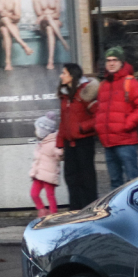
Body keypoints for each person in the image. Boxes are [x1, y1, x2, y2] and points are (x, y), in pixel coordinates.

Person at [94, 47, 138, 188]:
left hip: (126, 140)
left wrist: (127, 124)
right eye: (108, 60)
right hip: (108, 141)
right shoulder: (103, 85)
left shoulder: (130, 83)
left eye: (115, 60)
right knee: (115, 181)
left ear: (121, 62)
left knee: (133, 180)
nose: (111, 63)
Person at [56, 62, 99, 208]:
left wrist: (82, 128)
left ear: (72, 76)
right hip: (69, 144)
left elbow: (98, 116)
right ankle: (75, 210)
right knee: (71, 178)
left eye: (64, 73)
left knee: (86, 179)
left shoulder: (84, 93)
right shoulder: (65, 94)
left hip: (84, 142)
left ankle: (89, 210)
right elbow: (63, 121)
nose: (61, 75)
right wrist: (59, 144)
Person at [31, 0, 69, 71]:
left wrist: (47, 15)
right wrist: (46, 16)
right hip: (43, 24)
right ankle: (62, 40)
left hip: (55, 22)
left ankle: (50, 61)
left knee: (50, 27)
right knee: (48, 26)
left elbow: (58, 14)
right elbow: (39, 14)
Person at [30, 112, 61, 216]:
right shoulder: (41, 143)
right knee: (34, 194)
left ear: (43, 131)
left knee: (50, 196)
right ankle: (42, 210)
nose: (36, 132)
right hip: (39, 174)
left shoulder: (53, 143)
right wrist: (34, 172)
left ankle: (53, 214)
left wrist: (60, 152)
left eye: (37, 129)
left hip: (49, 174)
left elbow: (59, 153)